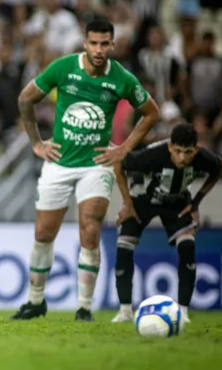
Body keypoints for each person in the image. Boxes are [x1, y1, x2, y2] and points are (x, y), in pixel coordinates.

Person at [12, 19, 161, 322]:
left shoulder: (121, 78)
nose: (99, 49)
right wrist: (37, 143)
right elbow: (25, 98)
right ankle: (36, 301)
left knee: (90, 229)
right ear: (84, 43)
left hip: (96, 165)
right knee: (43, 234)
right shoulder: (63, 68)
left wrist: (124, 148)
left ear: (112, 45)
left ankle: (84, 308)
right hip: (58, 162)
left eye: (105, 43)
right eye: (93, 43)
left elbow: (151, 113)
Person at [112, 123, 222, 323]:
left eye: (188, 152)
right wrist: (127, 203)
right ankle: (125, 311)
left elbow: (220, 167)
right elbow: (119, 163)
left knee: (188, 245)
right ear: (170, 147)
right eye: (178, 151)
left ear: (196, 150)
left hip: (177, 201)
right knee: (124, 246)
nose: (182, 157)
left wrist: (196, 202)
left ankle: (182, 312)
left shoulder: (202, 158)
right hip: (143, 199)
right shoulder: (153, 156)